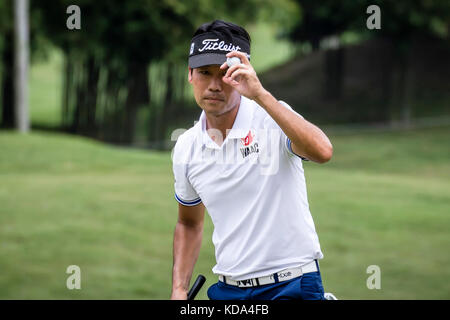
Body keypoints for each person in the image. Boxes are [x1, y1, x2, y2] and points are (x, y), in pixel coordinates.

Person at [170, 20, 333, 300]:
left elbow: (322, 151)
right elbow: (189, 223)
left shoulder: (271, 117)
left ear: (243, 73)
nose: (213, 85)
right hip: (229, 290)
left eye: (225, 74)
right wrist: (179, 289)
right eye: (204, 73)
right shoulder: (186, 146)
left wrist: (260, 95)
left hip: (290, 284)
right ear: (190, 75)